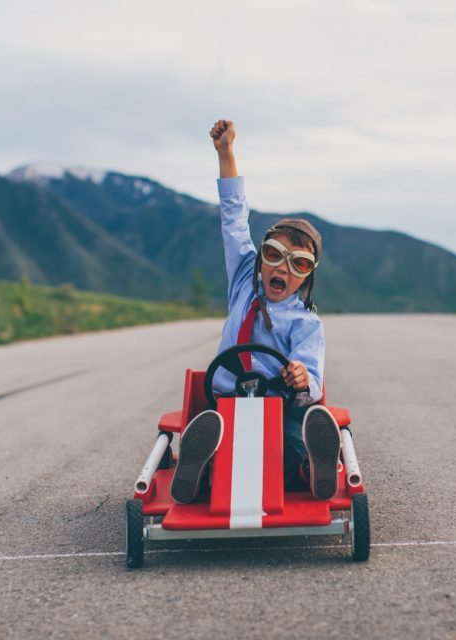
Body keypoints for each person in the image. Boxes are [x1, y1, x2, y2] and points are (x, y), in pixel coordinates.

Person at [169, 119, 341, 505]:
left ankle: (312, 468)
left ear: (307, 276)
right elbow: (233, 218)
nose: (281, 269)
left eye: (297, 264)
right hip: (224, 403)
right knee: (219, 435)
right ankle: (198, 471)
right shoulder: (245, 280)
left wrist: (301, 379)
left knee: (289, 440)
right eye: (274, 255)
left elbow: (311, 380)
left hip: (277, 409)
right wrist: (226, 152)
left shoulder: (306, 324)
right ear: (261, 257)